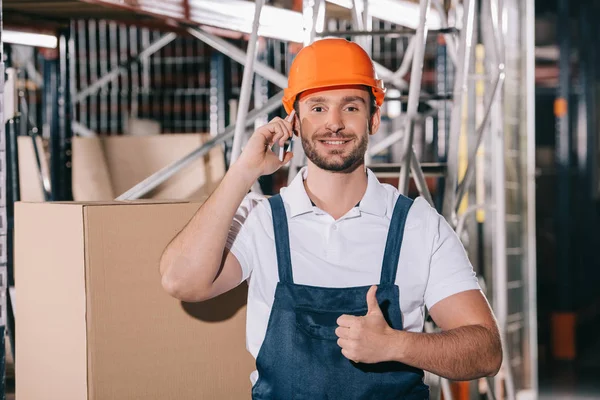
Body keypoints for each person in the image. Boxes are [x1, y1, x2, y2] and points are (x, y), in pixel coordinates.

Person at [160, 38, 502, 399]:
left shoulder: (420, 226)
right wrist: (242, 172)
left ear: (373, 118)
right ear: (293, 121)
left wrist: (396, 345)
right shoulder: (260, 221)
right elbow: (182, 282)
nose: (334, 124)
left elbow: (486, 351)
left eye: (350, 107)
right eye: (318, 108)